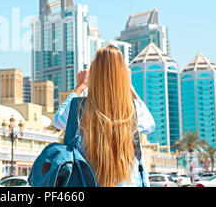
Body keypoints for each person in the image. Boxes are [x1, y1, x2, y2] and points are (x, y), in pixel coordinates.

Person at [53, 45, 155, 187]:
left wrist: (80, 86)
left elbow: (58, 120)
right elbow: (150, 125)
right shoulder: (134, 109)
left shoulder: (79, 107)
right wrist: (130, 86)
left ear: (93, 74)